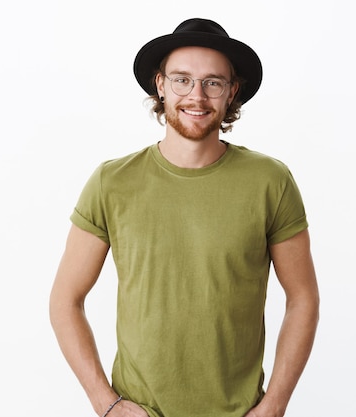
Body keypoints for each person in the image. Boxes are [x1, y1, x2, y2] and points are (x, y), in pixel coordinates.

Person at [49, 18, 319, 417]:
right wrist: (105, 403)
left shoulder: (270, 181)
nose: (197, 96)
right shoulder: (112, 182)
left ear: (232, 92)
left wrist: (275, 404)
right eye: (182, 80)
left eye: (213, 82)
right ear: (160, 85)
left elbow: (303, 298)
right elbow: (65, 300)